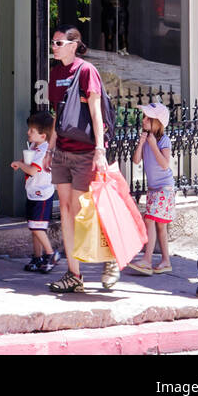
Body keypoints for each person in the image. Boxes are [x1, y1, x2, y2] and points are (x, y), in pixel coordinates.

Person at [47, 27, 117, 292]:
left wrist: (100, 149)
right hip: (63, 152)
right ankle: (74, 274)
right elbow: (58, 116)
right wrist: (50, 150)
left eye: (58, 42)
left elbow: (96, 112)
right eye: (53, 43)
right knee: (64, 210)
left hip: (85, 152)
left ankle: (109, 258)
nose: (54, 46)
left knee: (80, 212)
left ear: (73, 45)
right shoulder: (56, 74)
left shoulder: (86, 71)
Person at [10, 111, 60, 273]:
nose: (28, 133)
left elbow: (32, 170)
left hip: (42, 194)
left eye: (31, 131)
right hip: (33, 191)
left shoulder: (44, 150)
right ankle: (37, 257)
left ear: (43, 136)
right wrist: (24, 162)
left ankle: (51, 254)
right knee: (35, 227)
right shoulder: (34, 146)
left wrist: (19, 163)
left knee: (36, 226)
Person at [128, 102, 174, 274]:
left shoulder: (163, 140)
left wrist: (153, 145)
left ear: (157, 122)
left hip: (164, 188)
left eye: (148, 118)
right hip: (154, 188)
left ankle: (147, 260)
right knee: (159, 226)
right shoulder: (147, 139)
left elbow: (164, 164)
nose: (144, 120)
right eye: (144, 116)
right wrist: (141, 144)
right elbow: (136, 160)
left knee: (150, 219)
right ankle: (166, 262)